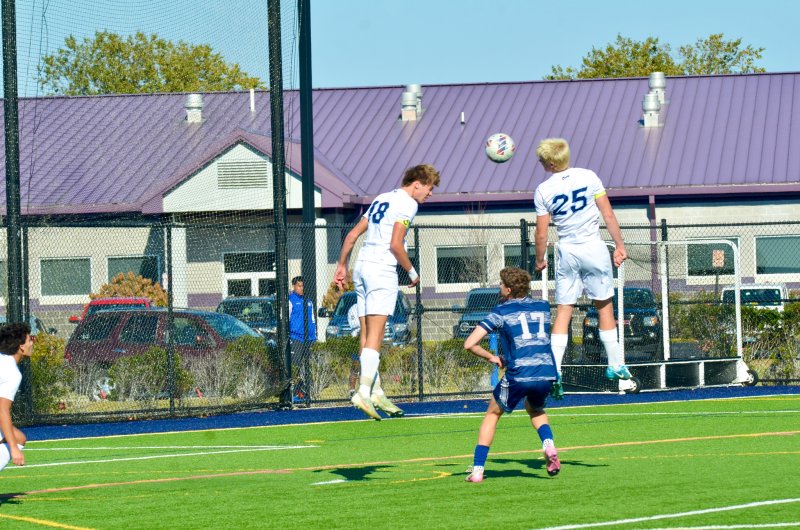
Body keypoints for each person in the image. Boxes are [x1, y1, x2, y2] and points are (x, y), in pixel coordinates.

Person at [334, 164, 441, 420]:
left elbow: (351, 235)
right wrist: (413, 272)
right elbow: (395, 244)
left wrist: (341, 266)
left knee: (366, 335)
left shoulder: (382, 198)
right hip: (381, 270)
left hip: (361, 267)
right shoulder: (408, 203)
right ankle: (362, 391)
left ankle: (377, 391)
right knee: (377, 336)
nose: (430, 194)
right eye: (429, 188)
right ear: (417, 183)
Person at [533, 137, 630, 385]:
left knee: (564, 310)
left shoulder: (543, 190)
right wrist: (619, 245)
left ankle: (555, 370)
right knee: (604, 306)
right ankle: (615, 364)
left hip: (567, 250)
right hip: (593, 248)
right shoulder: (588, 176)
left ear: (549, 163)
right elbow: (607, 214)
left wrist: (540, 259)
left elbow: (542, 232)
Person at [463, 267, 560, 482]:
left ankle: (477, 470)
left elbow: (469, 343)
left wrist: (492, 358)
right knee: (535, 409)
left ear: (508, 289)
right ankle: (549, 446)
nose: (499, 287)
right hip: (546, 371)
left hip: (519, 373)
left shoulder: (501, 311)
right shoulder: (543, 306)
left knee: (492, 414)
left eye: (500, 284)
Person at [0, 322, 32, 472]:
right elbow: (2, 410)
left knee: (18, 437)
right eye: (30, 340)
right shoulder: (12, 373)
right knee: (16, 440)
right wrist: (13, 448)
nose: (32, 343)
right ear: (21, 347)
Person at [288, 276, 317, 403]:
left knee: (307, 367)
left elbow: (312, 319)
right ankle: (293, 394)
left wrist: (314, 335)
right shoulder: (290, 300)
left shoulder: (309, 301)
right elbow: (286, 318)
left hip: (309, 339)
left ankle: (304, 392)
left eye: (303, 286)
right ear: (294, 286)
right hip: (296, 338)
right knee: (295, 366)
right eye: (299, 286)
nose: (301, 288)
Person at [346, 301, 361, 397]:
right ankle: (352, 390)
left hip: (369, 339)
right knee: (355, 366)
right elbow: (355, 325)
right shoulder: (353, 308)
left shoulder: (371, 305)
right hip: (357, 339)